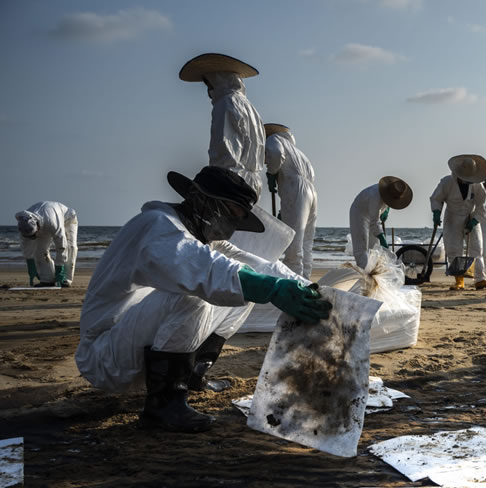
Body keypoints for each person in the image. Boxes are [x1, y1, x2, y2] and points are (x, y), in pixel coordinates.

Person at [75, 166, 331, 434]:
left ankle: (192, 374)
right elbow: (205, 270)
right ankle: (164, 404)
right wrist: (271, 289)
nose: (229, 228)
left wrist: (312, 289)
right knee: (199, 293)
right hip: (105, 356)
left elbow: (259, 267)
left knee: (243, 289)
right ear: (198, 198)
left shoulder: (201, 237)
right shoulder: (157, 227)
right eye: (228, 214)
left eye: (237, 221)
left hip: (138, 346)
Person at [179, 53, 266, 197]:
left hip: (232, 183)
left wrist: (215, 184)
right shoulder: (250, 107)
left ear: (217, 79)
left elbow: (225, 152)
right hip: (252, 185)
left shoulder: (225, 103)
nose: (208, 89)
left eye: (208, 83)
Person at [265, 123, 319, 278]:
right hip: (311, 191)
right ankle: (305, 279)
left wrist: (271, 172)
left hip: (296, 187)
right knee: (306, 241)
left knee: (294, 243)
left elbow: (275, 154)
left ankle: (293, 281)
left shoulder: (273, 139)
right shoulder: (299, 153)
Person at [430, 154, 486, 291]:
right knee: (454, 249)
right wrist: (436, 212)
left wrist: (474, 220)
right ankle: (459, 281)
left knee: (477, 247)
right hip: (452, 217)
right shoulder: (446, 182)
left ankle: (480, 279)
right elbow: (436, 198)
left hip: (470, 216)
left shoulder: (477, 185)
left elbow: (481, 206)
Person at [349, 177, 413, 269]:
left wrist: (386, 211)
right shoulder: (375, 196)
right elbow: (374, 223)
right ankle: (365, 275)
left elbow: (388, 203)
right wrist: (382, 238)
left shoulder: (390, 193)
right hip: (359, 213)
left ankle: (375, 274)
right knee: (362, 249)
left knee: (375, 249)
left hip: (372, 214)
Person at [15, 201, 79, 287]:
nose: (33, 238)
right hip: (44, 220)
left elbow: (61, 245)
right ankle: (47, 279)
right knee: (40, 250)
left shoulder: (52, 222)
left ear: (37, 227)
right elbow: (25, 245)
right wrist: (30, 263)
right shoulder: (24, 224)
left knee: (70, 247)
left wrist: (60, 267)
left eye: (34, 235)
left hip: (67, 218)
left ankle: (65, 279)